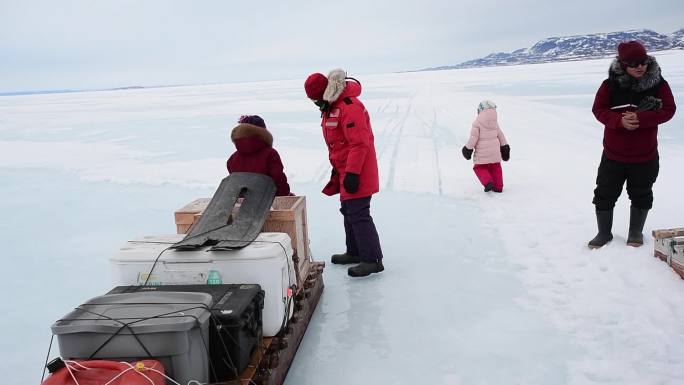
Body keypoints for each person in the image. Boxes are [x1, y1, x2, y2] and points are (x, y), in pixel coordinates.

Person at [588, 40, 676, 249]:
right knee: (604, 193)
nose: (640, 67)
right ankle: (604, 233)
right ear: (623, 64)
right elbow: (598, 109)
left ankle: (635, 232)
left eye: (643, 61)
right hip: (613, 154)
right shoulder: (609, 85)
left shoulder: (659, 84)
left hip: (645, 155)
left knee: (642, 193)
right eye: (634, 63)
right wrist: (619, 121)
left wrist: (642, 120)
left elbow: (669, 109)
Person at [304, 69, 384, 277]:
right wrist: (338, 169)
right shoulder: (331, 107)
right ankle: (355, 251)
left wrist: (352, 174)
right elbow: (338, 144)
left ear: (325, 92)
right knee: (348, 210)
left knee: (358, 213)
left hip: (359, 170)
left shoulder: (349, 108)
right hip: (345, 170)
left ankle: (373, 260)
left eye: (316, 99)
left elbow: (359, 144)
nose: (315, 103)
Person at [226, 115, 291, 196]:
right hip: (266, 202)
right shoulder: (270, 154)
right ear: (263, 133)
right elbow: (278, 179)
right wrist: (285, 195)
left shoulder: (232, 159)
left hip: (242, 204)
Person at [461, 100, 510, 192]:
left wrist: (468, 149)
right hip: (495, 153)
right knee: (496, 167)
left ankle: (488, 182)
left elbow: (473, 138)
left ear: (480, 111)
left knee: (479, 168)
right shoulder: (495, 123)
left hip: (482, 154)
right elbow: (501, 135)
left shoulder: (476, 123)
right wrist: (505, 147)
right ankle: (498, 187)